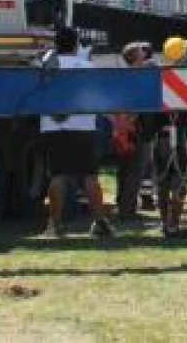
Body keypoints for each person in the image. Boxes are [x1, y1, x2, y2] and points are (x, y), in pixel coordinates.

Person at [40, 27, 113, 239]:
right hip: (83, 126)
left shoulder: (45, 68)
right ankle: (100, 223)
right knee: (89, 175)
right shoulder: (87, 67)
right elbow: (98, 96)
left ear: (56, 44)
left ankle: (54, 225)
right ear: (75, 44)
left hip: (53, 127)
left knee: (58, 175)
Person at [153, 35, 187, 239]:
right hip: (182, 136)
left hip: (160, 137)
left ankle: (166, 223)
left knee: (162, 182)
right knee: (180, 180)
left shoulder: (157, 77)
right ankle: (172, 225)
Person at [112, 41, 156, 225]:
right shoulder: (138, 76)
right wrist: (129, 122)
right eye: (140, 51)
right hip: (136, 130)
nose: (144, 52)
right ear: (136, 56)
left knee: (124, 169)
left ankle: (123, 206)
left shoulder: (124, 76)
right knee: (135, 170)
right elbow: (138, 103)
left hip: (125, 129)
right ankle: (128, 211)